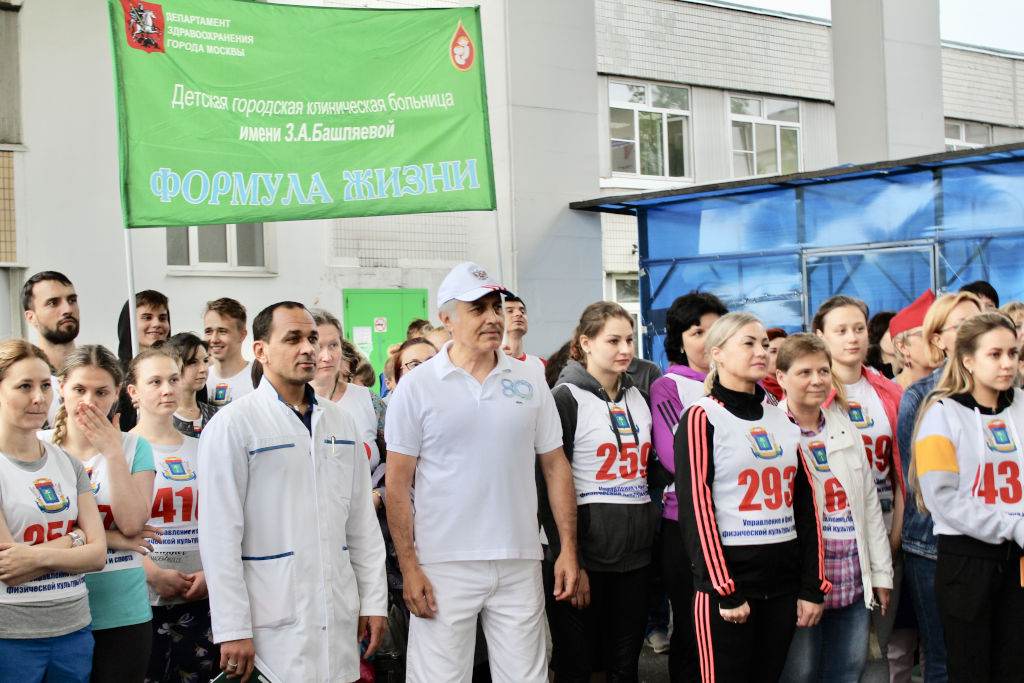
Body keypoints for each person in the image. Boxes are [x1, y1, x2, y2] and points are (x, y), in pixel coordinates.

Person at [384, 262, 579, 683]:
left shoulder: (530, 378)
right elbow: (397, 484)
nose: (493, 317)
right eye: (478, 308)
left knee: (527, 677)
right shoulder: (416, 387)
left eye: (497, 306)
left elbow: (555, 465)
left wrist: (567, 547)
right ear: (446, 318)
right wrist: (410, 565)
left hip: (519, 557)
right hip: (443, 562)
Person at [198, 302, 387, 683]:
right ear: (261, 351)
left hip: (337, 612)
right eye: (293, 339)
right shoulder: (234, 426)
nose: (308, 349)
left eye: (312, 338)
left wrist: (373, 600)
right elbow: (220, 534)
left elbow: (361, 524)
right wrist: (233, 627)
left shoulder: (341, 422)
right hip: (271, 618)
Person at [675, 312, 829, 683]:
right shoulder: (701, 417)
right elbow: (697, 509)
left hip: (782, 585)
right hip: (729, 586)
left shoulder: (782, 419)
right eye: (749, 343)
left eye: (764, 344)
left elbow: (807, 507)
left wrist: (813, 586)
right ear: (719, 353)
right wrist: (725, 589)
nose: (761, 351)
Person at [545, 301, 657, 681]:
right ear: (586, 343)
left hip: (637, 556)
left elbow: (650, 472)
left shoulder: (639, 398)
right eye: (613, 340)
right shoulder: (564, 398)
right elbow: (549, 482)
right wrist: (569, 556)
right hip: (585, 557)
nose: (626, 349)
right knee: (578, 665)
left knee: (625, 665)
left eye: (629, 339)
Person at [911, 312, 1024, 681]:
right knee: (971, 670)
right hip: (967, 560)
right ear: (968, 360)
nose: (1008, 363)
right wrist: (1010, 526)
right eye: (995, 354)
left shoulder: (1022, 406)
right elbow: (942, 497)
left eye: (1013, 353)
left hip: (1018, 560)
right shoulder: (941, 414)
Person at [776, 334, 893, 683]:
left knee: (847, 672)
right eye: (804, 372)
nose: (816, 380)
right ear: (781, 377)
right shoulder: (772, 429)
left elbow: (869, 504)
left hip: (852, 578)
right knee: (800, 673)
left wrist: (881, 573)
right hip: (802, 581)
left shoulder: (844, 426)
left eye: (823, 371)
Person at [42, 345, 158, 682]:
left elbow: (133, 524)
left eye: (101, 391)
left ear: (118, 393)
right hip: (56, 601)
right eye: (79, 389)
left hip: (123, 609)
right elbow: (33, 533)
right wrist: (108, 538)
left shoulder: (135, 447)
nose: (89, 402)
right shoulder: (40, 445)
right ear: (61, 388)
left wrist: (112, 452)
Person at [0, 339, 106, 683]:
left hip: (74, 630)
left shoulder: (68, 464)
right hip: (11, 637)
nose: (39, 397)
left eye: (46, 385)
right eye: (24, 386)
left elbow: (98, 555)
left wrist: (37, 556)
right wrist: (75, 538)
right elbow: (10, 569)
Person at [812, 295, 904, 677]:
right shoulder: (810, 394)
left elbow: (901, 472)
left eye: (859, 329)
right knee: (824, 655)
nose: (852, 338)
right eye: (841, 330)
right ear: (820, 336)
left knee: (875, 650)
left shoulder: (889, 392)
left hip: (884, 537)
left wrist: (895, 536)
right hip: (832, 545)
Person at [896, 290, 981, 683]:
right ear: (938, 340)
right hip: (934, 548)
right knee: (943, 658)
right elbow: (923, 487)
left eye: (979, 321)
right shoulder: (921, 397)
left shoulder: (1008, 398)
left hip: (996, 544)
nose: (973, 332)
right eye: (960, 325)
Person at [648, 290, 727, 681]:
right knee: (695, 634)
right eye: (698, 332)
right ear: (679, 340)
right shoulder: (669, 387)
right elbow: (673, 457)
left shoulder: (750, 387)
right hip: (687, 526)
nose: (709, 341)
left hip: (740, 524)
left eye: (717, 330)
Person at [129, 348, 218, 682]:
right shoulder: (120, 451)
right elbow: (108, 528)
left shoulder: (202, 448)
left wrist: (211, 572)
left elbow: (222, 520)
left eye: (173, 379)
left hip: (200, 596)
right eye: (154, 381)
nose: (167, 389)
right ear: (133, 392)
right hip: (141, 599)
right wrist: (151, 572)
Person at [310, 309, 385, 473]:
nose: (327, 356)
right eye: (317, 346)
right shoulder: (287, 405)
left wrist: (379, 494)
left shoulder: (370, 401)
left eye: (333, 345)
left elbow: (394, 463)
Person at [21, 271, 80, 426]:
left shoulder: (99, 369)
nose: (67, 309)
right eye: (53, 303)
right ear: (31, 317)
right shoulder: (22, 376)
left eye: (72, 300)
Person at [117, 290, 172, 431]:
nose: (156, 324)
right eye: (147, 318)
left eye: (162, 318)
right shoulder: (115, 375)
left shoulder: (178, 371)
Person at [163, 333, 218, 438]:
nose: (203, 369)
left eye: (205, 361)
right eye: (193, 362)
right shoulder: (160, 417)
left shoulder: (216, 415)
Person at [203, 298, 254, 407]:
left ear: (242, 335)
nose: (214, 339)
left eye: (222, 331)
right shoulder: (200, 379)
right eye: (208, 331)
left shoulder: (258, 379)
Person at [890, 291, 939, 390]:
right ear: (902, 347)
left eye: (939, 333)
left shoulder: (955, 389)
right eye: (925, 335)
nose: (937, 341)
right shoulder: (885, 394)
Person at [503, 295, 546, 372]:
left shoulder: (541, 365)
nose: (519, 314)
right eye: (510, 311)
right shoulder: (488, 364)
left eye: (522, 311)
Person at [867, 311, 898, 379]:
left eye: (899, 331)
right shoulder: (868, 371)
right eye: (891, 331)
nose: (897, 337)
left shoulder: (913, 368)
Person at [762, 328, 788, 402]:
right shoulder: (755, 388)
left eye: (784, 351)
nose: (779, 356)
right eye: (773, 351)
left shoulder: (796, 386)